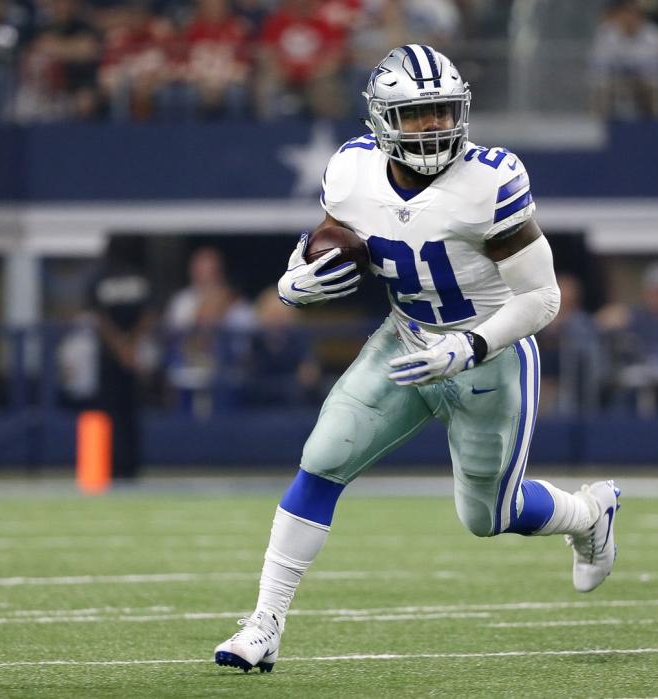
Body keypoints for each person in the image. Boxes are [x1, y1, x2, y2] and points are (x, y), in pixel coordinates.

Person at [213, 44, 621, 673]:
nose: (433, 126)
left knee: (488, 516)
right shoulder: (351, 171)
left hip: (490, 354)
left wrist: (472, 344)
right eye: (416, 114)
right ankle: (263, 625)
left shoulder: (490, 180)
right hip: (405, 340)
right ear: (380, 119)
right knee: (322, 460)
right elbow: (329, 240)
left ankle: (589, 514)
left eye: (441, 111)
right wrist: (293, 277)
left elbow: (543, 298)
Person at [88, 237, 153, 482]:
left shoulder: (101, 277)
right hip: (129, 356)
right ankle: (126, 466)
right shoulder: (138, 277)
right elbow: (146, 315)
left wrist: (121, 346)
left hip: (113, 357)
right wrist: (129, 346)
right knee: (126, 414)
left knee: (115, 412)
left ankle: (119, 466)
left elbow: (99, 319)